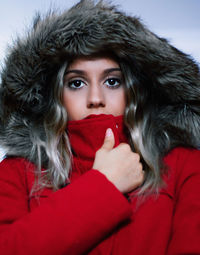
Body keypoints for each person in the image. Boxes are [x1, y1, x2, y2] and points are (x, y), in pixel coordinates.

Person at [0, 0, 200, 254]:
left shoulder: (185, 165)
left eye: (113, 81)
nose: (96, 98)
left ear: (136, 90)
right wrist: (104, 185)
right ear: (54, 95)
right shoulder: (16, 172)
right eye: (76, 83)